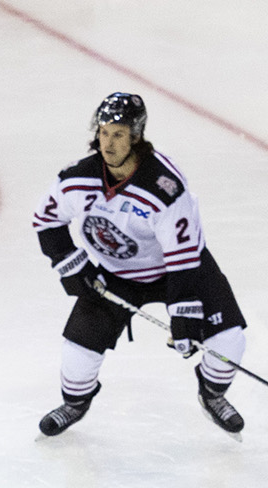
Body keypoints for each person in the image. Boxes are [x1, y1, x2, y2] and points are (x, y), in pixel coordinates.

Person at [30, 92, 250, 439]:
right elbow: (46, 220)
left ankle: (212, 394)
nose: (108, 143)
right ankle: (76, 403)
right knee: (75, 361)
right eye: (103, 132)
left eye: (118, 134)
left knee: (229, 342)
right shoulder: (77, 179)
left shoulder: (164, 187)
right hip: (113, 276)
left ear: (136, 135)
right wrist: (74, 267)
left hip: (177, 271)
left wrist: (184, 316)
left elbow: (182, 256)